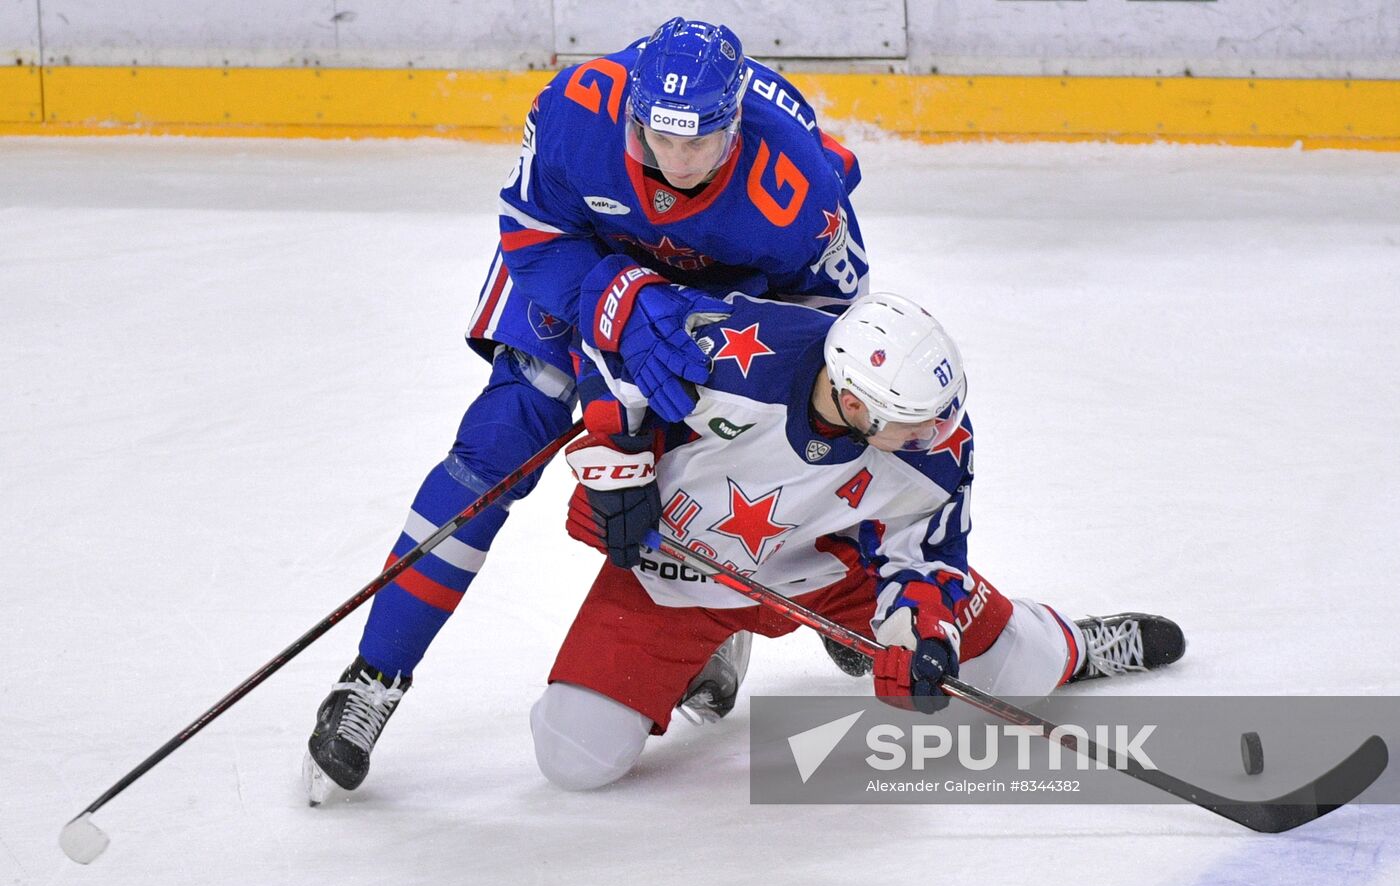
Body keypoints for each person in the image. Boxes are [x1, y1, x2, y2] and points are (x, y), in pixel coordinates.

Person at [304, 16, 872, 798]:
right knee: (489, 455)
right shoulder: (577, 108)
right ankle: (371, 680)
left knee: (709, 466)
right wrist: (613, 307)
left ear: (734, 124)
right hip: (571, 287)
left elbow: (826, 333)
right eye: (656, 141)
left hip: (699, 318)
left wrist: (687, 322)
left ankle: (765, 609)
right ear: (632, 113)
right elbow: (533, 239)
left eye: (698, 145)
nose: (674, 164)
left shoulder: (796, 183)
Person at [533, 279, 1186, 790]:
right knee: (576, 757)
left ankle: (1071, 645)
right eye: (911, 424)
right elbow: (609, 329)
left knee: (1015, 673)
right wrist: (614, 467)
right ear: (852, 400)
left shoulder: (934, 443)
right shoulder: (737, 356)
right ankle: (714, 643)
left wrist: (920, 632)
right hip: (676, 566)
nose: (934, 438)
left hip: (833, 572)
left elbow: (931, 559)